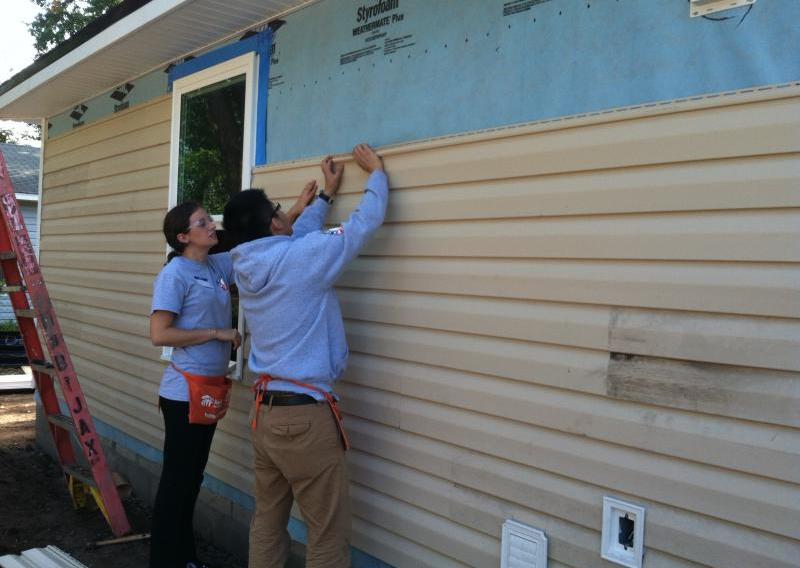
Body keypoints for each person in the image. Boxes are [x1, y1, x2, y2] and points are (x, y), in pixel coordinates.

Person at [223, 144, 388, 568]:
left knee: (268, 521)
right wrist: (376, 175)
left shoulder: (247, 264)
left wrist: (325, 197)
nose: (284, 213)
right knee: (327, 535)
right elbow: (362, 225)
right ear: (275, 223)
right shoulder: (299, 257)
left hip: (265, 415)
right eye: (279, 209)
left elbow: (298, 243)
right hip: (305, 419)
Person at [149, 188, 316, 568]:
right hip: (183, 394)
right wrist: (217, 333)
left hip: (207, 391)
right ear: (183, 237)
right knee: (177, 483)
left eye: (210, 219)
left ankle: (185, 559)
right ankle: (165, 562)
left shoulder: (216, 266)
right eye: (203, 222)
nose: (212, 225)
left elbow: (262, 239)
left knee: (191, 480)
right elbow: (160, 334)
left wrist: (297, 210)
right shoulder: (175, 274)